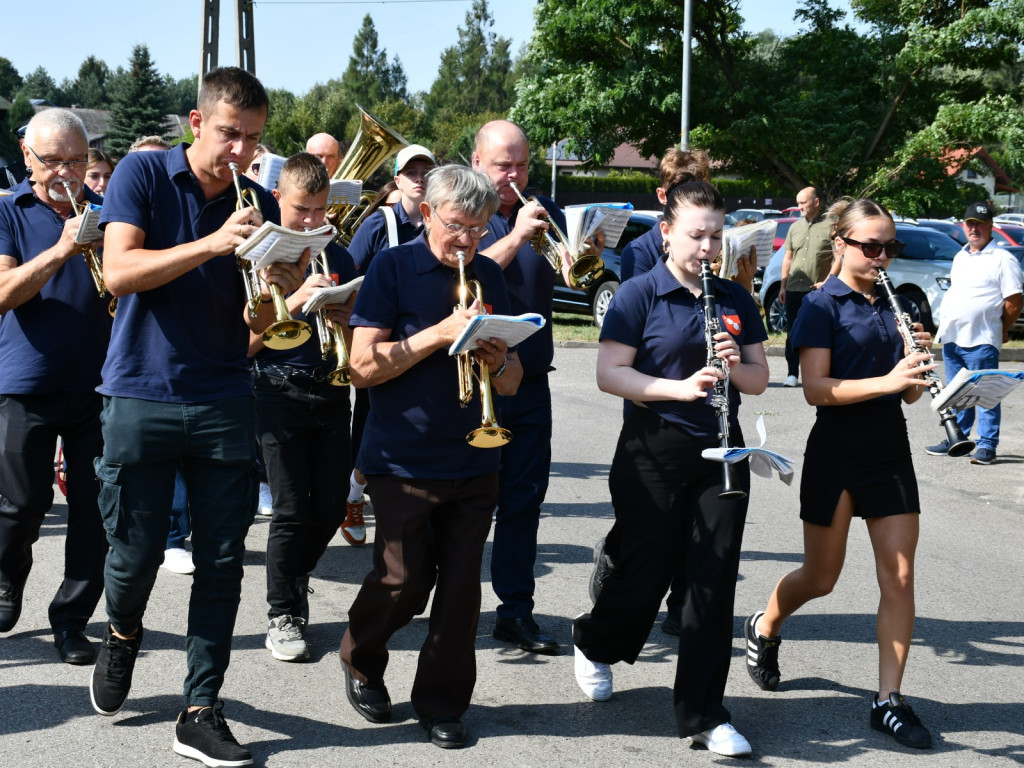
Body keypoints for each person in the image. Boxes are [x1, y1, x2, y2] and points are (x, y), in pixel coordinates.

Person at [91, 67, 305, 768]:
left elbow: (262, 321)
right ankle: (122, 633)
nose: (241, 151)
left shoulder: (261, 199)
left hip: (222, 397)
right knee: (133, 554)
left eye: (252, 139)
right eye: (228, 135)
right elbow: (120, 272)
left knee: (219, 563)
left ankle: (199, 708)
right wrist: (213, 245)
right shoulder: (143, 174)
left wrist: (280, 290)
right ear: (195, 122)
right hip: (141, 393)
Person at [572, 173, 768, 758]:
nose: (707, 248)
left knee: (710, 585)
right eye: (695, 236)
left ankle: (705, 714)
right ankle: (594, 640)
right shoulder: (639, 293)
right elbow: (611, 374)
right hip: (652, 451)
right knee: (644, 572)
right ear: (666, 233)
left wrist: (735, 364)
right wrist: (678, 389)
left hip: (721, 456)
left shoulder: (734, 297)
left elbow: (758, 380)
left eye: (715, 236)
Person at [340, 164, 521, 750]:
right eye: (458, 224)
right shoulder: (392, 268)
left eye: (481, 227)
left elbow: (515, 379)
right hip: (402, 457)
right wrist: (438, 335)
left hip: (475, 457)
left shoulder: (490, 273)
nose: (468, 239)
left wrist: (497, 360)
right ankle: (361, 656)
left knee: (463, 589)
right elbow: (362, 366)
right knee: (402, 580)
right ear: (427, 214)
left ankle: (442, 703)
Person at [744, 198, 936, 751]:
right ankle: (765, 625)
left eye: (889, 247)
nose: (881, 256)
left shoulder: (895, 302)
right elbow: (815, 391)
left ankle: (888, 699)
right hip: (836, 451)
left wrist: (918, 367)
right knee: (820, 578)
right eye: (870, 246)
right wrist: (889, 378)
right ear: (843, 244)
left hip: (888, 452)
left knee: (899, 579)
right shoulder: (820, 305)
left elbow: (911, 392)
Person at [0, 108, 112, 666]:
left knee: (94, 512)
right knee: (21, 505)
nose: (68, 172)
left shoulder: (107, 213)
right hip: (26, 383)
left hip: (98, 386)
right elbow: (2, 293)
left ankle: (72, 620)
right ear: (27, 157)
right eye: (54, 161)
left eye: (78, 160)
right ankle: (5, 582)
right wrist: (60, 250)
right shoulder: (6, 211)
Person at [473, 120, 576, 655]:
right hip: (475, 384)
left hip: (533, 382)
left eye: (520, 164)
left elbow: (562, 277)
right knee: (465, 503)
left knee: (524, 503)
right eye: (502, 165)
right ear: (477, 164)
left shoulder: (544, 210)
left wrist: (577, 251)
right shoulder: (467, 214)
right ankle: (457, 607)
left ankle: (515, 611)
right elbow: (471, 269)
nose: (513, 175)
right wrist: (516, 235)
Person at [250, 152, 357, 662]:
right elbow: (241, 344)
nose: (314, 221)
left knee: (332, 506)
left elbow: (362, 332)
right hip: (274, 391)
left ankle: (294, 578)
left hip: (332, 389)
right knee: (291, 509)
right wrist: (290, 299)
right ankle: (282, 612)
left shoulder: (343, 253)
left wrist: (348, 310)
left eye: (320, 210)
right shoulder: (256, 255)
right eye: (301, 211)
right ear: (278, 200)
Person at [343, 145, 436, 548]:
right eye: (410, 172)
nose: (419, 178)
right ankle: (352, 497)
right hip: (382, 347)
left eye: (425, 172)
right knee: (373, 430)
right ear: (397, 181)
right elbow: (346, 276)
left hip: (429, 346)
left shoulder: (440, 225)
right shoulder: (379, 223)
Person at [924, 201, 1023, 464]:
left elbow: (1014, 301)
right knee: (958, 394)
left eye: (980, 224)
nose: (974, 228)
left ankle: (987, 444)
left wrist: (1001, 328)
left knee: (986, 394)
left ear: (990, 226)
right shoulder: (961, 256)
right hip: (954, 337)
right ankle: (959, 438)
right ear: (964, 226)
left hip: (981, 338)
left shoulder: (1002, 259)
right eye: (970, 223)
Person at [779, 187, 833, 387]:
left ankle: (820, 374)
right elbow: (788, 258)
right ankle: (792, 373)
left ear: (816, 202)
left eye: (803, 203)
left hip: (818, 290)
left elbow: (838, 259)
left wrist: (827, 283)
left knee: (819, 332)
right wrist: (783, 286)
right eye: (798, 202)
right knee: (793, 332)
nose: (799, 207)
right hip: (793, 289)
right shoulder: (794, 228)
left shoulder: (830, 227)